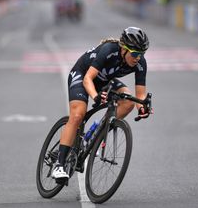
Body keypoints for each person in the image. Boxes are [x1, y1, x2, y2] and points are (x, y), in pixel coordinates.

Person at [51, 27, 152, 182]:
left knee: (129, 101)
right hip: (83, 75)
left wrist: (142, 107)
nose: (138, 58)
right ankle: (59, 164)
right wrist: (95, 96)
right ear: (124, 49)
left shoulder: (140, 63)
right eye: (135, 53)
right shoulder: (108, 50)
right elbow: (88, 80)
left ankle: (98, 132)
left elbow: (140, 95)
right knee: (78, 114)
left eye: (142, 54)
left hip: (105, 80)